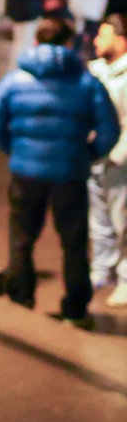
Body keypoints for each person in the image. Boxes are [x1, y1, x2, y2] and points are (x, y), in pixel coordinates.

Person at [0, 15, 120, 326]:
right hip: (70, 173)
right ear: (70, 44)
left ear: (35, 41)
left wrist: (13, 149)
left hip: (25, 172)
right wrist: (87, 155)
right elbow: (109, 130)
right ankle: (74, 308)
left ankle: (20, 297)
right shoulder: (86, 82)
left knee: (21, 238)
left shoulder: (15, 79)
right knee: (73, 243)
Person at [90, 15, 127, 308]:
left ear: (121, 39)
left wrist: (117, 156)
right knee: (99, 221)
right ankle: (102, 270)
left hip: (119, 163)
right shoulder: (94, 71)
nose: (95, 41)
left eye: (103, 35)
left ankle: (126, 279)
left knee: (122, 222)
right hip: (94, 160)